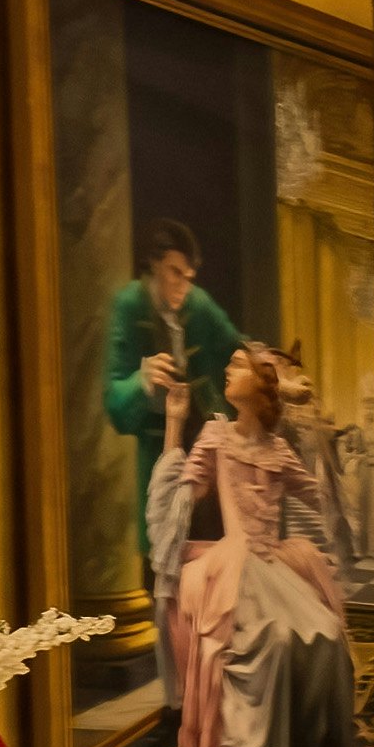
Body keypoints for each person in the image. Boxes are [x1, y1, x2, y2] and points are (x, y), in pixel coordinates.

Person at [162, 341, 366, 747]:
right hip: (231, 568)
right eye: (229, 362)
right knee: (271, 641)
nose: (227, 371)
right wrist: (173, 423)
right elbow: (186, 491)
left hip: (274, 563)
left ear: (260, 384)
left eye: (238, 365)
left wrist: (338, 531)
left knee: (321, 634)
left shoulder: (277, 449)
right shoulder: (214, 434)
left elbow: (319, 497)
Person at [93, 228, 236, 622]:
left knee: (211, 546)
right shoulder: (129, 304)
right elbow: (115, 400)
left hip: (202, 437)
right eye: (175, 273)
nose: (183, 286)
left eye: (189, 277)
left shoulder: (198, 304)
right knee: (165, 552)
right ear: (154, 265)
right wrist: (142, 379)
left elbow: (234, 345)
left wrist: (271, 369)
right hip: (159, 447)